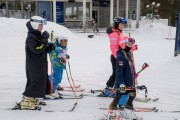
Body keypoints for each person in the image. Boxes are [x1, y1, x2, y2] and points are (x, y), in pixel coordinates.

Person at [19, 16, 55, 110]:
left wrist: (49, 47)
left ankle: (33, 98)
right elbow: (37, 49)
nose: (42, 27)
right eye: (40, 25)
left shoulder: (37, 35)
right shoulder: (31, 37)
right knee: (35, 81)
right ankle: (27, 100)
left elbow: (42, 48)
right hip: (34, 65)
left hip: (40, 64)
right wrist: (44, 40)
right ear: (35, 25)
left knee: (40, 81)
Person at [109, 36, 143, 120]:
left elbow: (130, 67)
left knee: (132, 94)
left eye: (131, 44)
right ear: (123, 44)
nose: (130, 46)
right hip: (123, 83)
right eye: (128, 44)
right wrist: (121, 84)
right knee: (119, 96)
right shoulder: (121, 56)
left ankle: (127, 111)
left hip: (129, 82)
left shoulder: (128, 54)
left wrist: (133, 74)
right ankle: (112, 112)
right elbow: (119, 72)